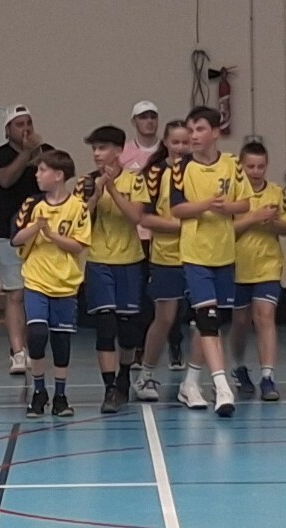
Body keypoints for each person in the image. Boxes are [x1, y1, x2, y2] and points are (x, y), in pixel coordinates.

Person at [170, 106, 253, 417]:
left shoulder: (232, 165)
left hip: (224, 252)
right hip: (195, 252)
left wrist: (226, 207)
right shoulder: (181, 168)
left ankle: (190, 382)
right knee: (207, 319)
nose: (193, 135)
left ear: (216, 133)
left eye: (200, 129)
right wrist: (205, 205)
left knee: (212, 322)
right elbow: (177, 210)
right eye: (191, 129)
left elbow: (245, 203)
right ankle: (222, 386)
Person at [73, 126, 150, 413]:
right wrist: (96, 194)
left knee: (128, 331)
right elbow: (80, 219)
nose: (97, 153)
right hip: (99, 261)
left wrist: (113, 189)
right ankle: (108, 389)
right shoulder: (85, 182)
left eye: (102, 147)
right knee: (105, 327)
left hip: (129, 261)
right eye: (94, 148)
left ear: (119, 150)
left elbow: (135, 216)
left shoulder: (135, 180)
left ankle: (124, 377)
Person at [11, 150, 91, 418]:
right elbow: (16, 238)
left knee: (61, 340)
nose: (37, 175)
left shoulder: (78, 207)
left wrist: (52, 235)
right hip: (36, 279)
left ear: (58, 175)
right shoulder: (33, 205)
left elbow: (78, 245)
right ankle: (38, 391)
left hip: (65, 282)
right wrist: (36, 227)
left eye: (42, 170)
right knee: (36, 335)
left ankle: (60, 395)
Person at [0, 105, 54, 375]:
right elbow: (5, 180)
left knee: (39, 290)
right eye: (19, 124)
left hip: (43, 231)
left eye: (28, 123)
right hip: (8, 229)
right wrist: (26, 153)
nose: (25, 129)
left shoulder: (46, 152)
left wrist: (39, 154)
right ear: (8, 130)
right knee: (15, 292)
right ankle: (17, 351)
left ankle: (37, 346)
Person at [133, 120, 192, 401]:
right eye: (176, 142)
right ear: (165, 143)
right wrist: (180, 227)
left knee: (206, 319)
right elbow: (144, 218)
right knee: (165, 317)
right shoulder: (155, 174)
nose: (181, 147)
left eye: (186, 142)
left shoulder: (198, 171)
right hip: (167, 256)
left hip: (201, 253)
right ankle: (145, 374)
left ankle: (197, 380)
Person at [229, 142, 286, 402]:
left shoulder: (276, 192)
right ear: (241, 166)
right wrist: (254, 218)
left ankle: (268, 376)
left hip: (268, 264)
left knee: (265, 316)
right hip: (236, 265)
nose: (256, 171)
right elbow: (227, 230)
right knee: (241, 322)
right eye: (250, 166)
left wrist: (272, 221)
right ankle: (238, 367)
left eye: (261, 166)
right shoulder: (233, 194)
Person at [121, 101, 160, 371]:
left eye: (152, 117)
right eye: (143, 117)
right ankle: (138, 347)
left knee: (163, 294)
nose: (148, 122)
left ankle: (173, 342)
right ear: (134, 121)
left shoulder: (165, 151)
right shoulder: (124, 154)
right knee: (138, 294)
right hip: (135, 233)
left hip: (162, 232)